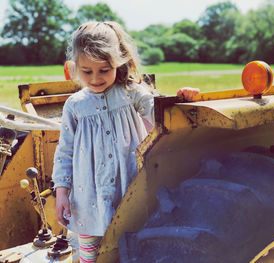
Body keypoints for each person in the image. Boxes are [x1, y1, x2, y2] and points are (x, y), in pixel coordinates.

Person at [52, 21, 199, 263]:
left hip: (129, 187)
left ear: (118, 62)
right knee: (91, 256)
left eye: (104, 70)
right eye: (87, 71)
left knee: (133, 248)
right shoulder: (75, 105)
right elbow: (65, 151)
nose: (96, 78)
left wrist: (180, 100)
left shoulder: (131, 92)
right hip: (89, 198)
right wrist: (61, 192)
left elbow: (158, 112)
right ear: (75, 67)